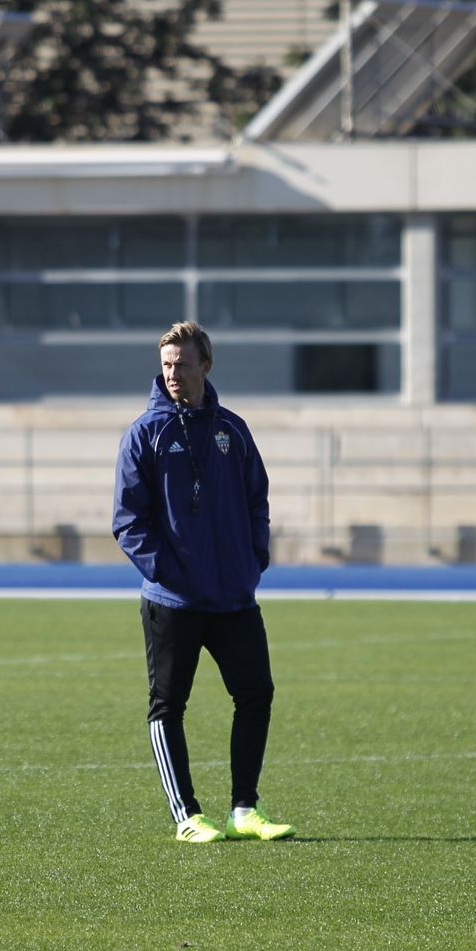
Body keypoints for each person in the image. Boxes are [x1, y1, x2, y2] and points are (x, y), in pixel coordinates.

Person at [112, 321, 295, 843]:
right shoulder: (144, 433)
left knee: (256, 694)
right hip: (173, 600)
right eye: (166, 364)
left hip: (234, 595)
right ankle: (187, 815)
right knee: (168, 705)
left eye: (182, 364)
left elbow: (257, 499)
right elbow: (128, 520)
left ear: (205, 366)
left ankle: (245, 809)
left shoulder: (232, 430)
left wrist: (253, 560)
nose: (173, 373)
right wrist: (168, 573)